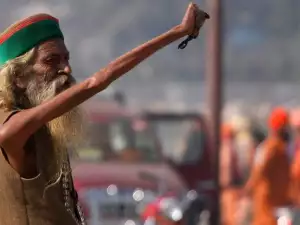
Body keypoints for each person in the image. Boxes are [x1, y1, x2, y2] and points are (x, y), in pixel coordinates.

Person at [0, 3, 209, 225]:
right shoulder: (11, 129)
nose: (66, 69)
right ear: (19, 78)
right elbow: (96, 81)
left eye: (66, 59)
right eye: (51, 61)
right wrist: (177, 32)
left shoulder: (44, 130)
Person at [244, 107, 292, 225]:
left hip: (275, 203)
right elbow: (259, 169)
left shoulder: (275, 147)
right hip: (268, 204)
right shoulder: (272, 147)